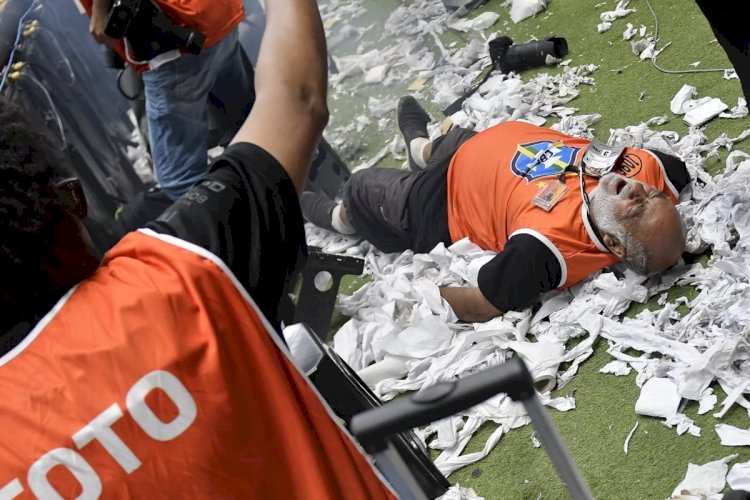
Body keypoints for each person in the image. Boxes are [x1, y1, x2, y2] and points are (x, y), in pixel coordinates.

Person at [0, 0, 395, 497]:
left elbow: (103, 28)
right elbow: (295, 99)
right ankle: (294, 204)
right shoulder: (180, 271)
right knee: (218, 148)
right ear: (69, 200)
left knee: (183, 171)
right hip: (211, 30)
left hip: (175, 50)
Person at [302, 96, 690, 323]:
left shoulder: (545, 249)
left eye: (633, 210)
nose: (638, 192)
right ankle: (419, 150)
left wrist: (416, 295)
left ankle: (341, 217)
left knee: (362, 186)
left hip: (440, 202)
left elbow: (484, 303)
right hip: (476, 149)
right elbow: (673, 178)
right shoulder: (656, 171)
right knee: (453, 140)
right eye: (652, 197)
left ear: (613, 244)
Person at [81, 0, 255, 201]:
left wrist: (100, 11)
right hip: (215, 14)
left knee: (179, 177)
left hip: (173, 36)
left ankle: (244, 226)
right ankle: (273, 204)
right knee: (245, 128)